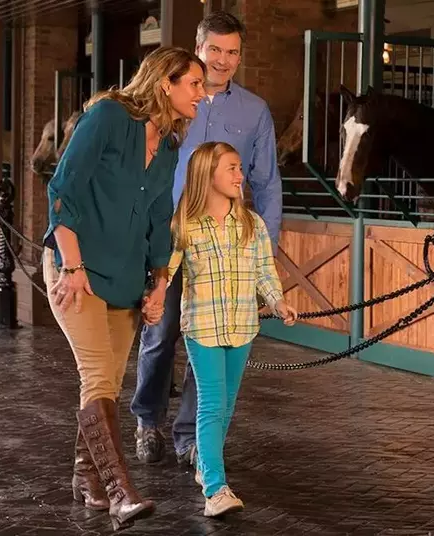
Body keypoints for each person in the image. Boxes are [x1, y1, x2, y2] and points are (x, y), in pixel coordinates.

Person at [42, 47, 206, 530]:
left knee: (107, 384)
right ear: (164, 84)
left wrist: (158, 283)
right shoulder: (109, 117)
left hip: (128, 278)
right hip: (81, 271)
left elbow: (159, 217)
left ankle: (85, 478)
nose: (202, 93)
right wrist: (71, 266)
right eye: (193, 83)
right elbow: (61, 192)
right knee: (97, 376)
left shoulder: (171, 146)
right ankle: (120, 492)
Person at [132, 11, 282, 466]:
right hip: (168, 239)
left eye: (232, 51)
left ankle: (190, 437)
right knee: (160, 335)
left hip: (225, 246)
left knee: (213, 340)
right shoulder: (172, 102)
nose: (223, 60)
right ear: (198, 48)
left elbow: (268, 183)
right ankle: (147, 421)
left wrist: (264, 253)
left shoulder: (254, 111)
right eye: (214, 49)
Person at [168, 141, 297, 516]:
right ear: (208, 175)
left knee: (226, 405)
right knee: (211, 403)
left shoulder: (251, 224)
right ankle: (215, 489)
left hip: (243, 326)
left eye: (240, 168)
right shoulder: (185, 225)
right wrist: (154, 297)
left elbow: (263, 272)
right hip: (203, 326)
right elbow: (168, 270)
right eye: (232, 168)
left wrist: (277, 301)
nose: (241, 176)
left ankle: (206, 465)